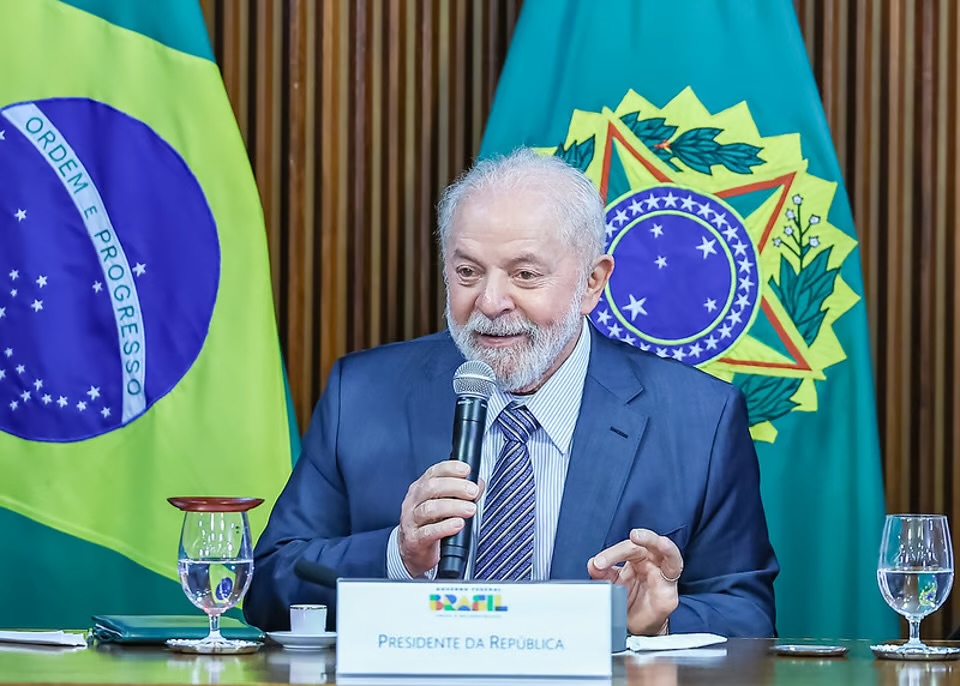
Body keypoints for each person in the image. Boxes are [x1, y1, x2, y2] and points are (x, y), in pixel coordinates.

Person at [244, 149, 778, 637]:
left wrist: (651, 625)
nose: (491, 301)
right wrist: (396, 557)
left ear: (593, 282)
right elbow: (269, 585)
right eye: (467, 272)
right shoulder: (361, 395)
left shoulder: (699, 419)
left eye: (524, 274)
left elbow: (748, 616)